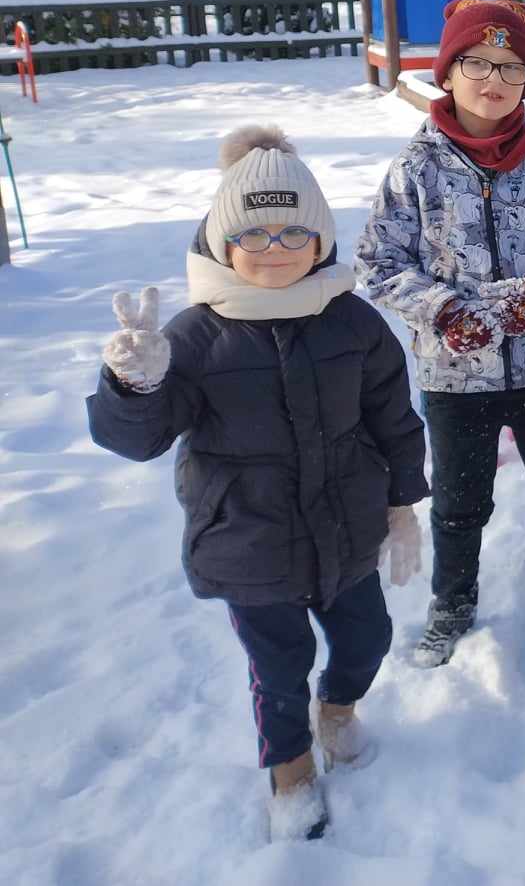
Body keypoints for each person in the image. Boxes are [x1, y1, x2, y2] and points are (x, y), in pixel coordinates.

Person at [86, 126, 427, 842]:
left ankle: (338, 709)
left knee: (367, 639)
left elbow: (393, 418)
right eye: (255, 234)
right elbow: (141, 439)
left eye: (294, 232)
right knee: (279, 668)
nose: (276, 248)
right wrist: (134, 386)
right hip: (249, 540)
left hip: (347, 529)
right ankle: (291, 771)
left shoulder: (352, 322)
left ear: (321, 239)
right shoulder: (196, 335)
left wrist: (403, 502)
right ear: (222, 242)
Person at [355, 0, 525, 679]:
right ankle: (452, 601)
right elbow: (378, 263)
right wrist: (444, 310)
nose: (493, 79)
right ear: (448, 72)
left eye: (511, 67)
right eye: (477, 63)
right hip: (455, 377)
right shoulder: (416, 169)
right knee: (458, 503)